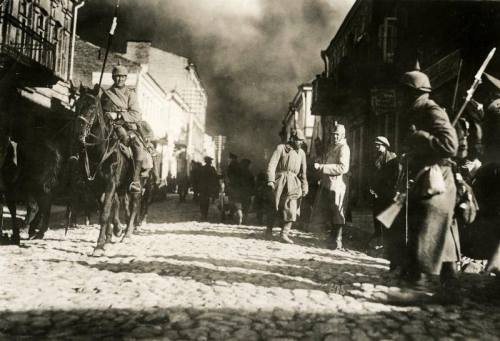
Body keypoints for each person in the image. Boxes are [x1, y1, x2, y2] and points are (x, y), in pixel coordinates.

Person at [399, 67, 461, 302]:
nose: (400, 97)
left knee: (428, 223)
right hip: (430, 176)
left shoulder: (430, 109)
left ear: (413, 93)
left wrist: (421, 139)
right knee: (438, 229)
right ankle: (451, 287)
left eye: (404, 92)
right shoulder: (417, 111)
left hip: (439, 177)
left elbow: (450, 146)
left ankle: (415, 284)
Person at [101, 65, 146, 193]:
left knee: (138, 147)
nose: (119, 79)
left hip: (126, 126)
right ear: (113, 77)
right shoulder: (106, 94)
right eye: (116, 76)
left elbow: (136, 114)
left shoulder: (130, 94)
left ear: (125, 78)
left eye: (122, 76)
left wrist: (119, 115)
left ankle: (135, 180)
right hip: (108, 125)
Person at [309, 123, 350, 250]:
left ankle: (337, 240)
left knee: (338, 212)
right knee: (331, 212)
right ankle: (332, 239)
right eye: (333, 135)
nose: (335, 137)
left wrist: (322, 167)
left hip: (338, 185)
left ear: (343, 135)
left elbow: (343, 167)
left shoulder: (343, 148)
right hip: (328, 183)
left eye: (337, 134)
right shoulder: (333, 147)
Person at [266, 129, 308, 243]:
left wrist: (305, 186)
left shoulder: (302, 153)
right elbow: (272, 164)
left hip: (294, 182)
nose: (300, 143)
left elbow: (303, 173)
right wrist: (270, 180)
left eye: (302, 141)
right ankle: (268, 230)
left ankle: (284, 233)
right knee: (275, 205)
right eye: (298, 140)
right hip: (280, 180)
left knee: (292, 207)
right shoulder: (281, 148)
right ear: (292, 139)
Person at [368, 136, 398, 249]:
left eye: (378, 145)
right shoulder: (375, 157)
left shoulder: (392, 157)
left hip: (387, 192)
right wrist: (371, 187)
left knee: (386, 215)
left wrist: (388, 189)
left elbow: (395, 176)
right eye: (375, 145)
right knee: (376, 215)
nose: (376, 147)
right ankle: (378, 237)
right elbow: (371, 174)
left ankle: (385, 240)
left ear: (385, 146)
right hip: (376, 192)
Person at [198, 156, 219, 221]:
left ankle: (202, 214)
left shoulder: (202, 168)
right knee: (206, 201)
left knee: (202, 201)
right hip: (208, 187)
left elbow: (198, 178)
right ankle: (205, 215)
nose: (211, 162)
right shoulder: (212, 168)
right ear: (209, 162)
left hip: (202, 187)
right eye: (210, 161)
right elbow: (215, 177)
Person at [239, 158, 255, 224]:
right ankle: (244, 219)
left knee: (240, 205)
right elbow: (253, 184)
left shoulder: (238, 173)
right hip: (247, 192)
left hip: (239, 192)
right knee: (246, 206)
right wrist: (253, 192)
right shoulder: (250, 173)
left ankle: (240, 217)